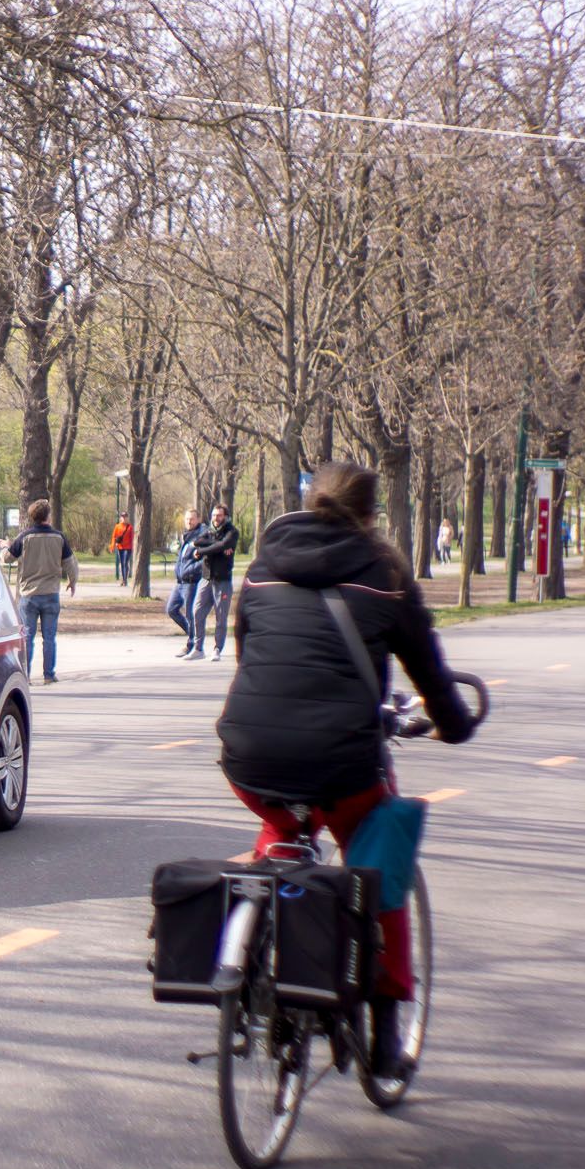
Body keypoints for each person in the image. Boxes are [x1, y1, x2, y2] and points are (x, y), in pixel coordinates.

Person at [214, 459, 478, 1077]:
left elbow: (248, 654)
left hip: (249, 751)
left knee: (282, 829)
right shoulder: (386, 576)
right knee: (379, 861)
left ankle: (249, 957)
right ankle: (385, 1038)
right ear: (370, 514)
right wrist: (455, 725)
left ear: (310, 504)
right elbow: (432, 679)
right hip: (343, 763)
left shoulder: (261, 567)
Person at [6, 498, 78, 684]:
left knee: (28, 637)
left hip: (28, 594)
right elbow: (70, 563)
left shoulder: (24, 537)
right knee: (49, 637)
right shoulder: (59, 537)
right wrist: (73, 581)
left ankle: (26, 676)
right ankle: (48, 674)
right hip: (51, 593)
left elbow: (8, 558)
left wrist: (6, 547)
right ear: (48, 515)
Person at [189, 503, 240, 661]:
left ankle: (217, 648)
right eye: (213, 515)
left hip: (222, 580)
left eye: (219, 515)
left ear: (225, 516)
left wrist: (202, 551)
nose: (215, 518)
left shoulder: (232, 532)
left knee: (221, 616)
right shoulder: (209, 530)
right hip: (206, 578)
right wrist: (216, 546)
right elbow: (196, 541)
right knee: (197, 611)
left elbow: (224, 544)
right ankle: (198, 648)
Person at [167, 507, 204, 657]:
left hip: (191, 582)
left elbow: (205, 560)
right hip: (179, 582)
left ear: (198, 520)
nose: (189, 521)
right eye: (187, 519)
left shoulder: (201, 536)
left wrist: (191, 569)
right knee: (171, 609)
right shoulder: (186, 536)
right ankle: (194, 636)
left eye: (192, 519)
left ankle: (192, 645)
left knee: (190, 614)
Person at [110, 515, 135, 585]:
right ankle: (123, 579)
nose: (124, 518)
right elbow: (114, 537)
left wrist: (133, 547)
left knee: (125, 562)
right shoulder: (117, 527)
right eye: (123, 517)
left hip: (128, 548)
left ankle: (124, 580)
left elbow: (132, 538)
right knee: (122, 563)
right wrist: (112, 546)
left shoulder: (130, 527)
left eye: (125, 517)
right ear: (121, 518)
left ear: (127, 518)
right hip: (120, 548)